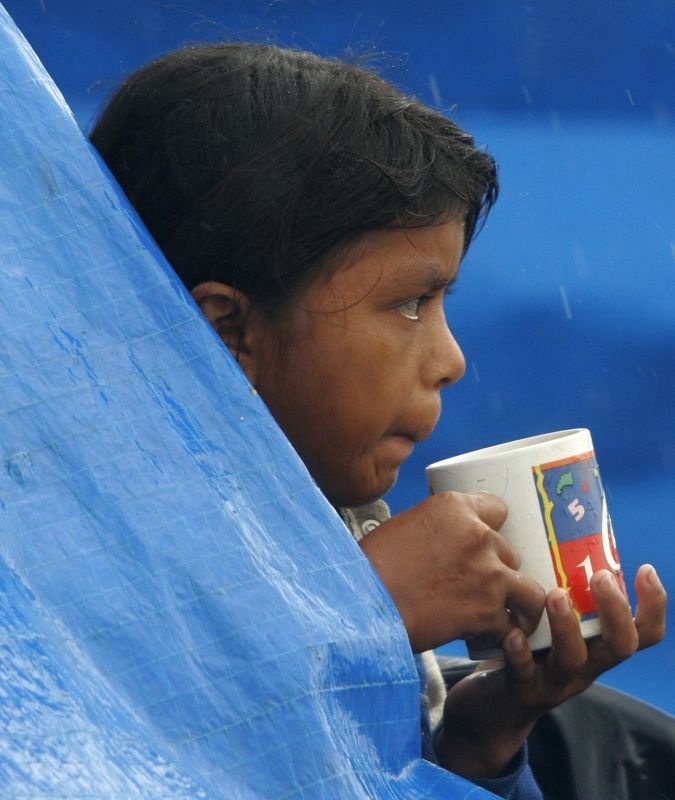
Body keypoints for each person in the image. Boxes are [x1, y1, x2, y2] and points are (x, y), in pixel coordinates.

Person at [89, 42, 667, 798]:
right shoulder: (91, 574)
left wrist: (481, 736)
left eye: (443, 302)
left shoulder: (331, 526)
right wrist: (360, 614)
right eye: (408, 303)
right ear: (230, 333)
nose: (451, 360)